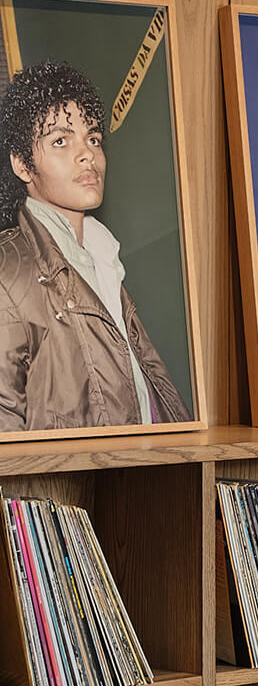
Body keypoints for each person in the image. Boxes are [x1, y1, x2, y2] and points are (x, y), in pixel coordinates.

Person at [0, 60, 188, 430]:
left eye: (93, 138)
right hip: (73, 485)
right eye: (60, 140)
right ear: (22, 165)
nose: (87, 153)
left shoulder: (103, 257)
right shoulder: (9, 269)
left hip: (138, 476)